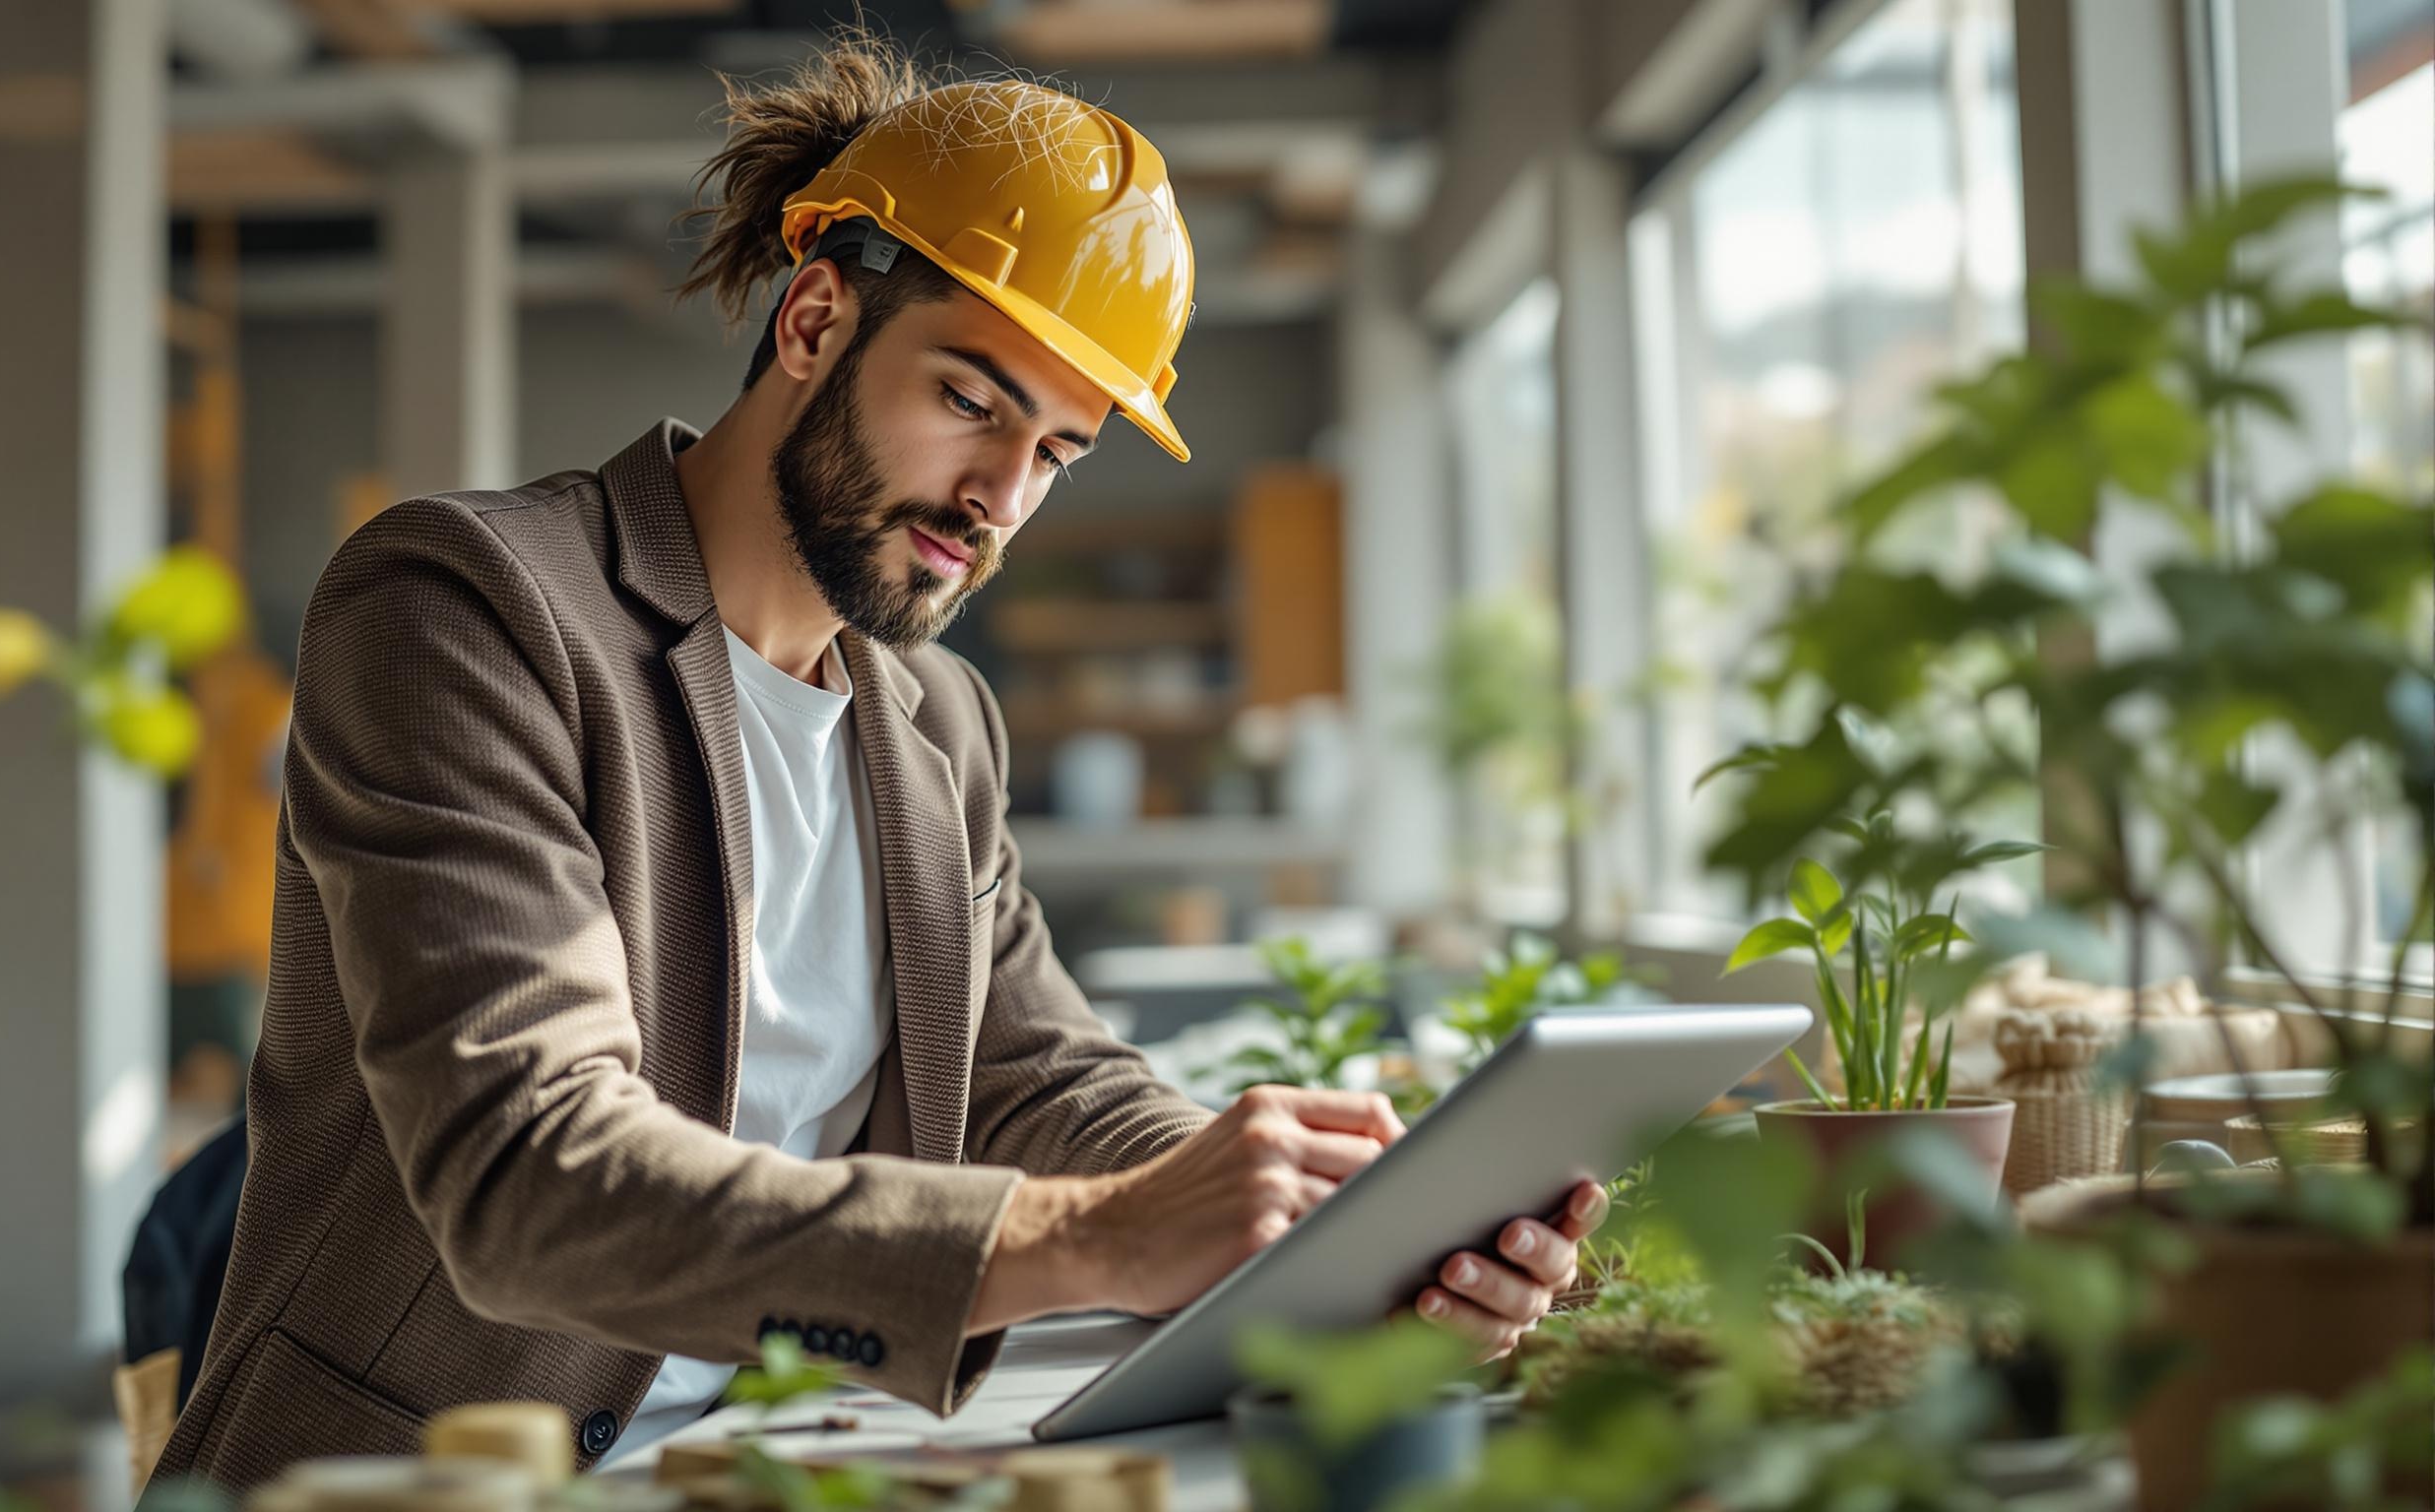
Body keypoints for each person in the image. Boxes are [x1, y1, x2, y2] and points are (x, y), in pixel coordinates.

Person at [146, 34, 1605, 1493]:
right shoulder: (471, 609)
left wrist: (1321, 1224)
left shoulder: (937, 727)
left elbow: (1040, 1080)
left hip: (775, 1459)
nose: (998, 499)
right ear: (814, 321)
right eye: (972, 401)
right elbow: (529, 1176)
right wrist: (1099, 1238)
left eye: (1055, 452)